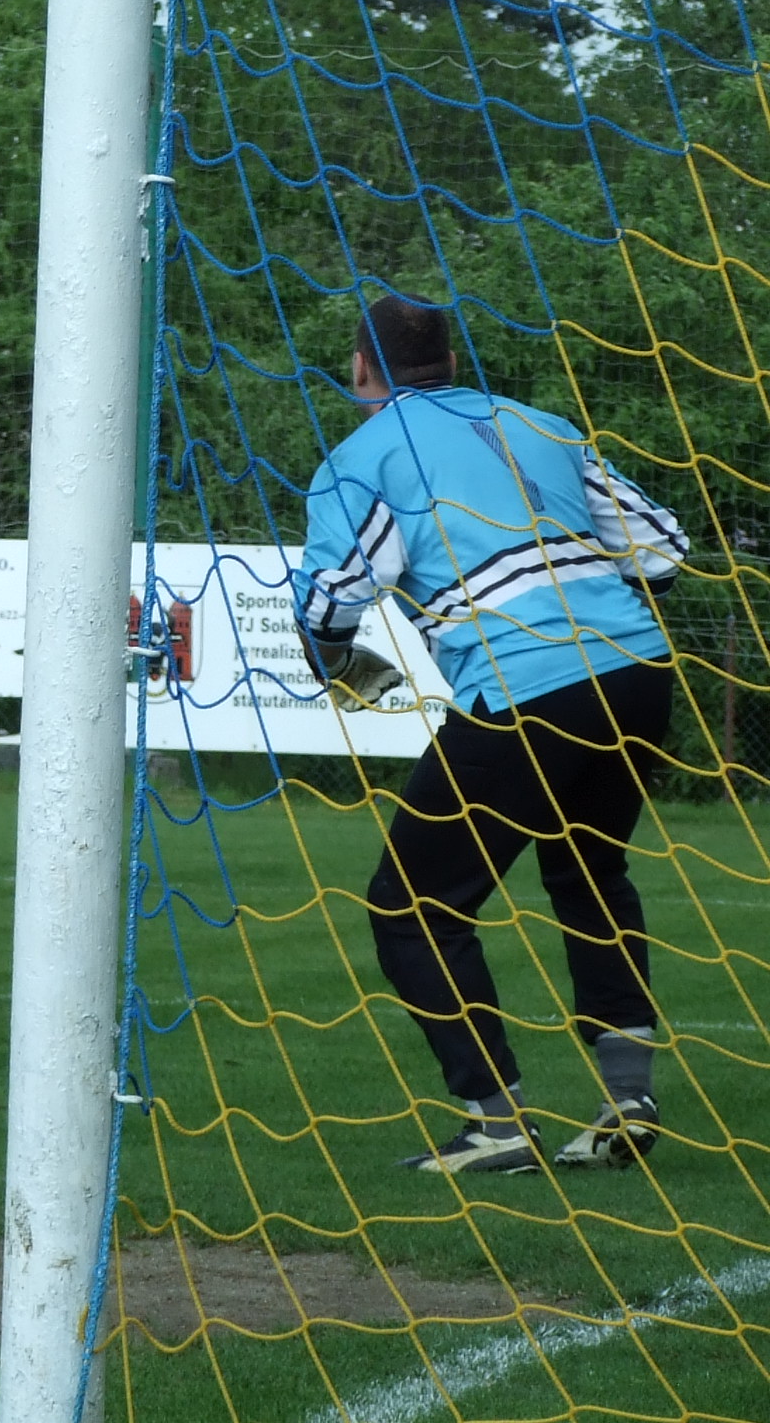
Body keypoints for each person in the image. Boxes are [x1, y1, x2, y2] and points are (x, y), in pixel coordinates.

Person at [295, 296, 688, 1173]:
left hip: (524, 689)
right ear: (448, 361)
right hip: (637, 674)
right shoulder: (540, 424)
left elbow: (331, 602)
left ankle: (499, 1124)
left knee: (412, 908)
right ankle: (627, 1101)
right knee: (590, 875)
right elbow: (663, 549)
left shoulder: (363, 457)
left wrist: (338, 663)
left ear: (360, 368)